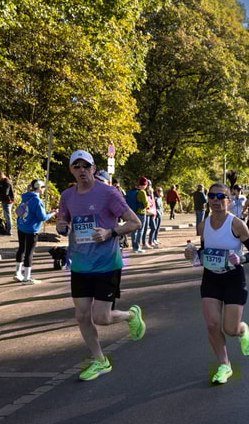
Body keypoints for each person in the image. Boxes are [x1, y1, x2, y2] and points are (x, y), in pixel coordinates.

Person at [56, 150, 146, 381]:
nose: (82, 170)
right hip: (80, 264)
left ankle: (131, 315)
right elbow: (63, 219)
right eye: (77, 166)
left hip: (107, 263)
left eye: (86, 166)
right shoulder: (67, 195)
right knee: (82, 316)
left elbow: (135, 222)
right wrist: (62, 226)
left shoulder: (108, 193)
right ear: (71, 170)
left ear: (94, 169)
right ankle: (100, 360)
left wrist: (109, 232)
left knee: (101, 318)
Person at [184, 183, 249, 383]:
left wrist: (242, 259)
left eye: (220, 197)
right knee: (212, 325)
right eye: (211, 196)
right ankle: (224, 365)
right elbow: (204, 252)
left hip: (233, 278)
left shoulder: (236, 224)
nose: (215, 200)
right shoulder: (203, 225)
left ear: (229, 200)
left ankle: (242, 329)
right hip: (211, 278)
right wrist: (192, 254)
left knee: (230, 330)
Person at [14, 180, 57, 283]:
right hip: (31, 229)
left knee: (21, 249)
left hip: (21, 226)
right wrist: (52, 213)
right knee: (29, 252)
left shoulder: (25, 197)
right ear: (39, 188)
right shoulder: (37, 200)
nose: (44, 190)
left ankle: (18, 273)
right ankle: (27, 277)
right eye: (43, 187)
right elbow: (42, 217)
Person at [125, 177, 149, 253]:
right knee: (140, 230)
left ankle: (134, 247)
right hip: (141, 212)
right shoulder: (142, 192)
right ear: (145, 185)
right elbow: (146, 204)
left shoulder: (134, 191)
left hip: (134, 212)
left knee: (134, 230)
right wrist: (149, 204)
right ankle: (138, 247)